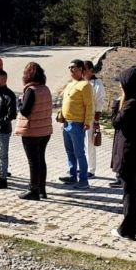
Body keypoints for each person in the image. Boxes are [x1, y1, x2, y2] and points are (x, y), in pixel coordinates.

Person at [109, 65, 136, 240]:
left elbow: (116, 122)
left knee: (129, 191)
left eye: (122, 83)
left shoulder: (130, 103)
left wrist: (116, 104)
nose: (120, 86)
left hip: (129, 151)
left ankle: (127, 229)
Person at [15, 62, 53, 200]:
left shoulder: (30, 90)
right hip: (45, 131)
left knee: (33, 161)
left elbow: (25, 111)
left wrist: (19, 102)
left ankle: (33, 190)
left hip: (31, 131)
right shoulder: (45, 89)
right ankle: (42, 189)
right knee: (41, 160)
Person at [57, 59, 94, 189]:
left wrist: (88, 122)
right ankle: (72, 175)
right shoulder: (70, 84)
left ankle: (83, 180)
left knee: (79, 152)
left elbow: (89, 105)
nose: (71, 70)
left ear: (81, 69)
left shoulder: (85, 85)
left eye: (73, 67)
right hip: (66, 123)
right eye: (69, 67)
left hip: (78, 123)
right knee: (69, 151)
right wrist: (61, 116)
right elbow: (65, 102)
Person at [83, 60, 106, 178]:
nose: (82, 72)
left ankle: (90, 169)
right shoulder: (80, 82)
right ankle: (81, 166)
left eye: (84, 69)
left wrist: (96, 121)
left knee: (89, 143)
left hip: (91, 118)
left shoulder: (97, 84)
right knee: (80, 144)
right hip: (79, 117)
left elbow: (99, 104)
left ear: (91, 70)